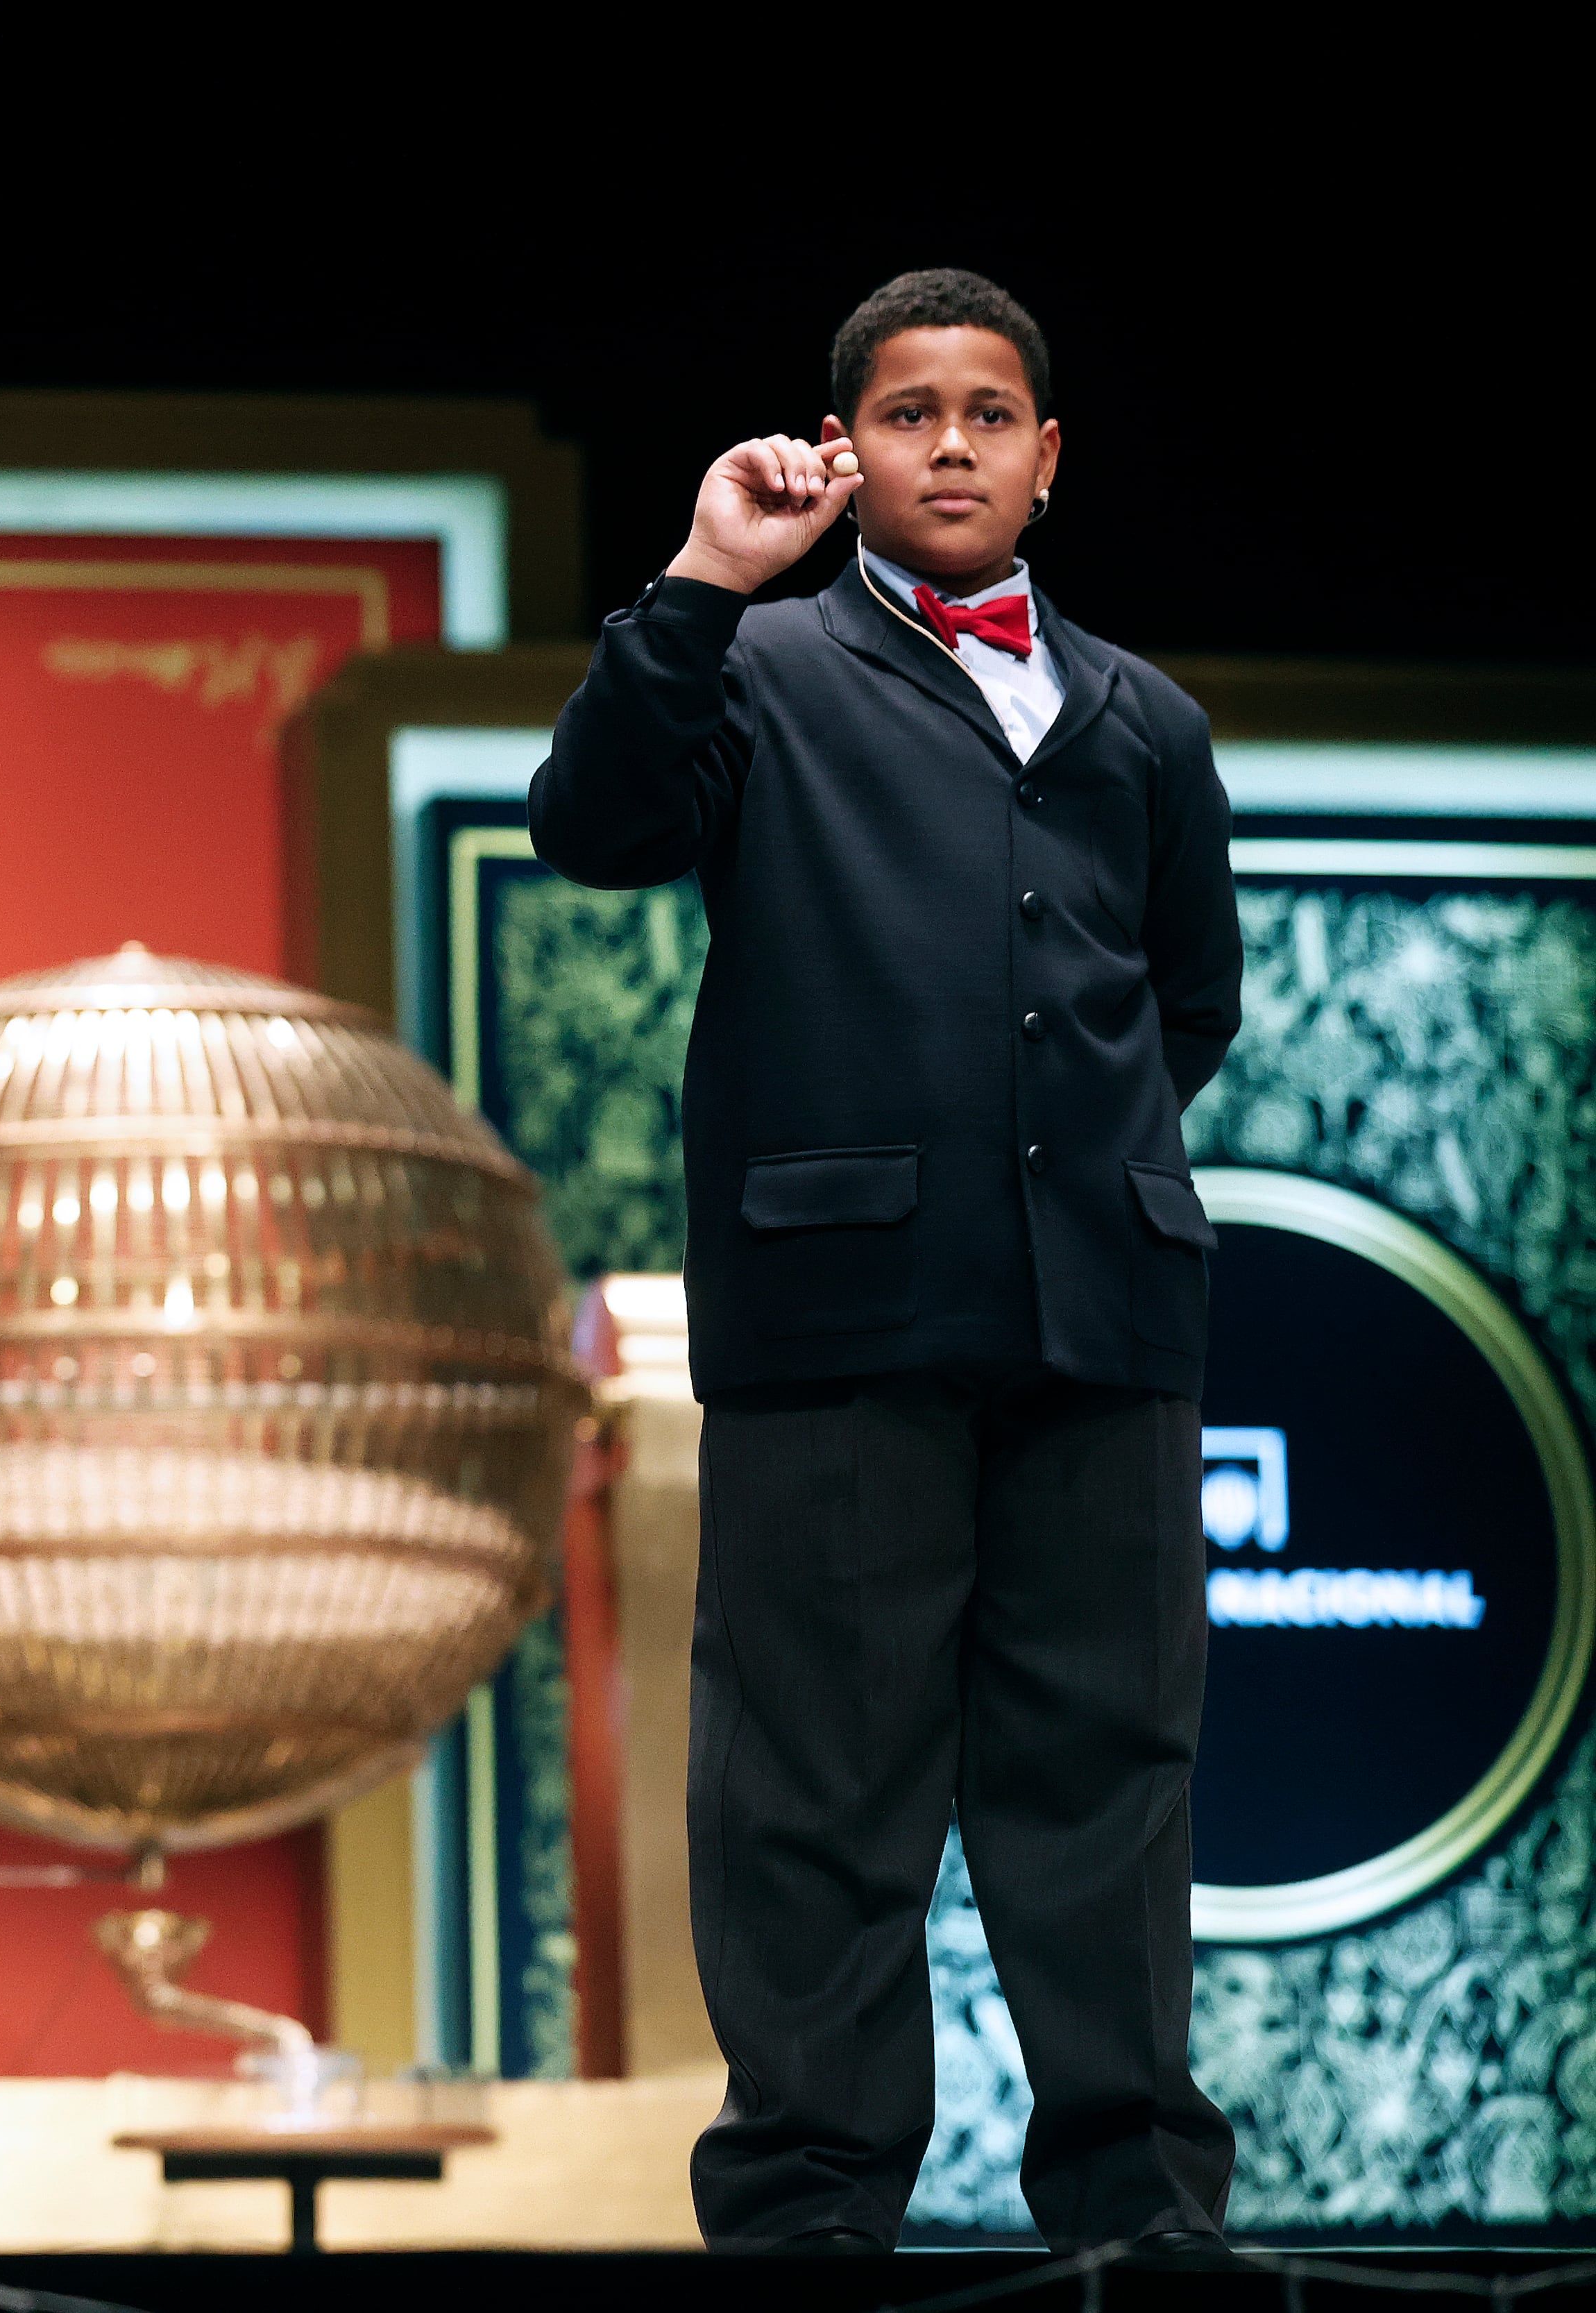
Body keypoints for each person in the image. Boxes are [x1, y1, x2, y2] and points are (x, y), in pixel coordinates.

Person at [528, 270, 1241, 2256]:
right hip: (836, 1313)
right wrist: (700, 576)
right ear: (849, 451)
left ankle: (1138, 2225)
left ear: (1045, 457)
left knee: (1107, 1783)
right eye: (908, 411)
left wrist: (1064, 1180)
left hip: (1101, 1319)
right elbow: (588, 825)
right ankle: (810, 2220)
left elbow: (1189, 1003)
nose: (952, 441)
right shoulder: (756, 668)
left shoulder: (1142, 718)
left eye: (988, 410)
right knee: (818, 1794)